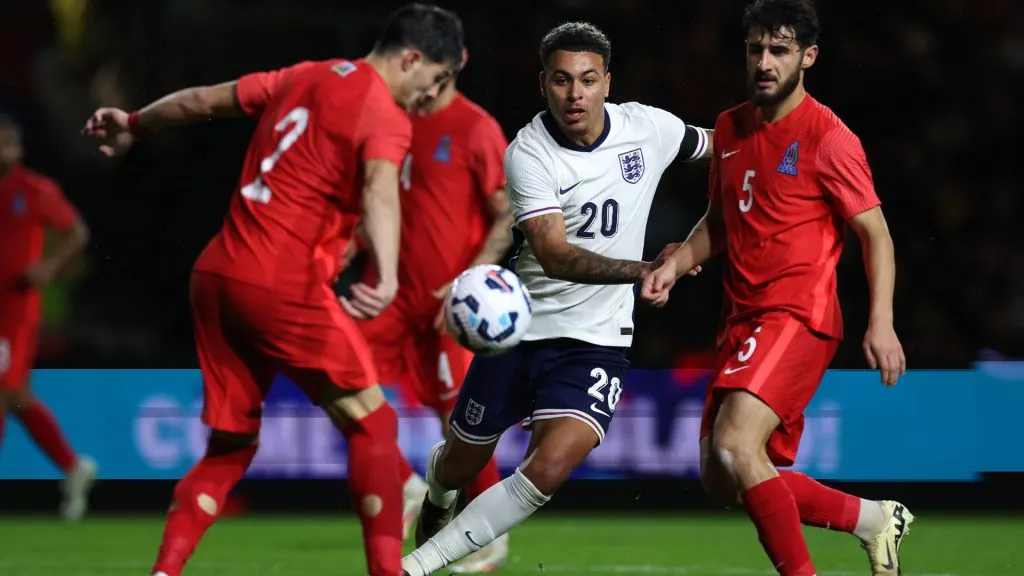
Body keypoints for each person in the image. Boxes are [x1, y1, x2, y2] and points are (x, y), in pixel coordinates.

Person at [81, 4, 464, 575]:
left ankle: (163, 572)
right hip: (281, 280)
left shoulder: (303, 75)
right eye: (432, 80)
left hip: (216, 274)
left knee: (231, 446)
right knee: (375, 425)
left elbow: (202, 101)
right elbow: (382, 186)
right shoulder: (383, 112)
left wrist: (134, 123)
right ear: (410, 58)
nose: (429, 96)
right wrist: (384, 274)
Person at [401, 22, 712, 576]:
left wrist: (776, 151)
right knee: (459, 464)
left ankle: (418, 566)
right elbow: (554, 255)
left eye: (588, 80)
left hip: (597, 342)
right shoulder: (529, 153)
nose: (576, 95)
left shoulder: (650, 129)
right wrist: (646, 268)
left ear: (607, 82)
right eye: (563, 81)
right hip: (519, 331)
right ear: (543, 83)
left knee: (547, 469)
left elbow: (723, 147)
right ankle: (439, 493)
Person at [642, 1, 912, 574]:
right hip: (741, 317)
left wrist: (881, 320)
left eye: (780, 50)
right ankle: (871, 519)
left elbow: (877, 235)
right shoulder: (729, 127)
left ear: (808, 57)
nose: (764, 62)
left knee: (737, 446)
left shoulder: (828, 137)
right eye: (755, 49)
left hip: (797, 313)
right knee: (721, 476)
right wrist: (674, 263)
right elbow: (719, 220)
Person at [347, 51, 514, 573]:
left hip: (450, 305)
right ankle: (407, 486)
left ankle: (489, 535)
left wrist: (472, 278)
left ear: (454, 64)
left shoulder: (476, 127)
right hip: (390, 294)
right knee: (334, 379)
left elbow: (507, 215)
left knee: (463, 424)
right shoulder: (389, 122)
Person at [0, 114, 96, 521]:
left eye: (10, 142)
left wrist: (50, 268)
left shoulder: (35, 190)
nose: (7, 150)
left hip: (15, 309)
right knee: (15, 397)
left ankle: (73, 467)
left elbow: (77, 232)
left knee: (5, 391)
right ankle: (73, 467)